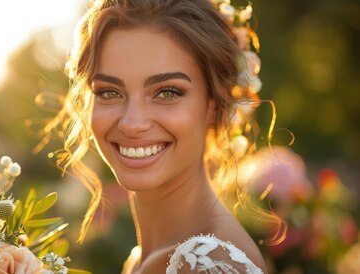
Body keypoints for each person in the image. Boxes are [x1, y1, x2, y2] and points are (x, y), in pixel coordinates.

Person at [43, 0, 276, 272]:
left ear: (215, 105)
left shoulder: (210, 266)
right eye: (109, 92)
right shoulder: (144, 258)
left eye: (167, 92)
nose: (132, 123)